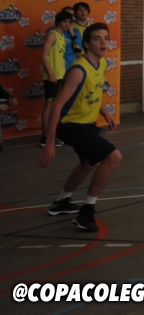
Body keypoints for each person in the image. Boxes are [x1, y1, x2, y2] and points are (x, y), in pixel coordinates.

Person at [38, 23, 121, 232]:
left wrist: (105, 113)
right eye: (97, 39)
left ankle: (61, 202)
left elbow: (93, 92)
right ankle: (87, 212)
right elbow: (57, 106)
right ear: (86, 44)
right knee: (113, 157)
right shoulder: (78, 70)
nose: (103, 42)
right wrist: (50, 143)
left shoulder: (101, 64)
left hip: (87, 124)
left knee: (88, 164)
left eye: (106, 38)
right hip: (70, 125)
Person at [39, 9, 75, 148]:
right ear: (58, 22)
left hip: (60, 75)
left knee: (55, 106)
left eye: (69, 22)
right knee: (49, 105)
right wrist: (51, 74)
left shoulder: (62, 36)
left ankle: (52, 136)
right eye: (64, 21)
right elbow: (43, 55)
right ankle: (45, 137)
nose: (67, 24)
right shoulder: (52, 35)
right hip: (52, 76)